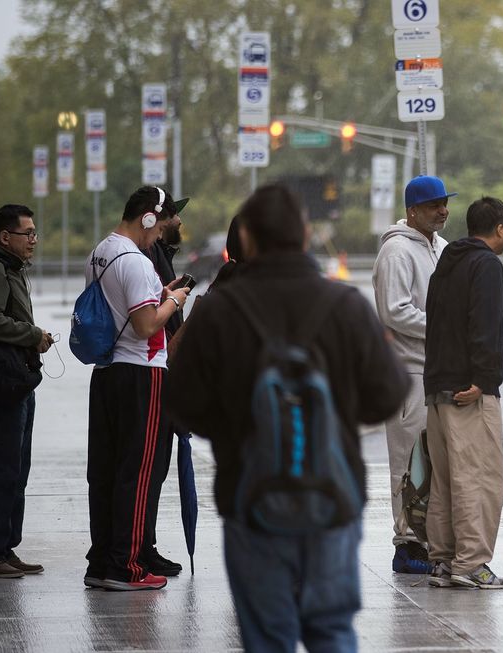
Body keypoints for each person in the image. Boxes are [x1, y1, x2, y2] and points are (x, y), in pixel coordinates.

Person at [164, 184, 409, 651]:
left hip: (250, 498)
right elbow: (387, 397)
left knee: (268, 637)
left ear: (248, 241)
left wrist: (241, 427)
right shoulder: (346, 306)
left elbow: (181, 405)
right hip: (331, 498)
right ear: (304, 237)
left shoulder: (218, 312)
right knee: (332, 630)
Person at [83, 186, 190, 591]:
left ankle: (102, 560)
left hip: (107, 371)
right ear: (148, 217)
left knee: (106, 471)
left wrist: (160, 295)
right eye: (159, 225)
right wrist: (175, 300)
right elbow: (146, 326)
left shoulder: (100, 252)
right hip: (142, 373)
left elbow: (117, 306)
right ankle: (126, 566)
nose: (159, 235)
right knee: (138, 471)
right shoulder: (137, 261)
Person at [423, 196, 503, 590]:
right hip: (467, 390)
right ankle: (472, 562)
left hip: (438, 387)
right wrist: (484, 377)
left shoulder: (448, 261)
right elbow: (485, 324)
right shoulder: (486, 264)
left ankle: (443, 560)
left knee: (444, 480)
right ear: (501, 228)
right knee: (479, 477)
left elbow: (435, 322)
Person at [372, 175, 454, 574]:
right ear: (412, 211)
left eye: (444, 203)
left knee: (434, 460)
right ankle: (406, 545)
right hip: (407, 373)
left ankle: (431, 539)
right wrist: (444, 326)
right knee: (407, 463)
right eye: (434, 205)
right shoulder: (397, 252)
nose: (443, 210)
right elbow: (395, 310)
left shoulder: (439, 247)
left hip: (436, 370)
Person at [0, 204, 53, 578]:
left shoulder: (12, 269)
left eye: (34, 233)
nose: (33, 239)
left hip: (15, 382)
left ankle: (4, 547)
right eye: (27, 233)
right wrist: (33, 335)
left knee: (16, 469)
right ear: (5, 237)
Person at [139, 194, 189, 578]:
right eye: (174, 217)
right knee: (148, 466)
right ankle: (138, 547)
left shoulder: (161, 252)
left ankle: (144, 544)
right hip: (153, 366)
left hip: (164, 365)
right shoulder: (149, 254)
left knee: (156, 466)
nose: (178, 223)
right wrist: (176, 301)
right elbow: (152, 318)